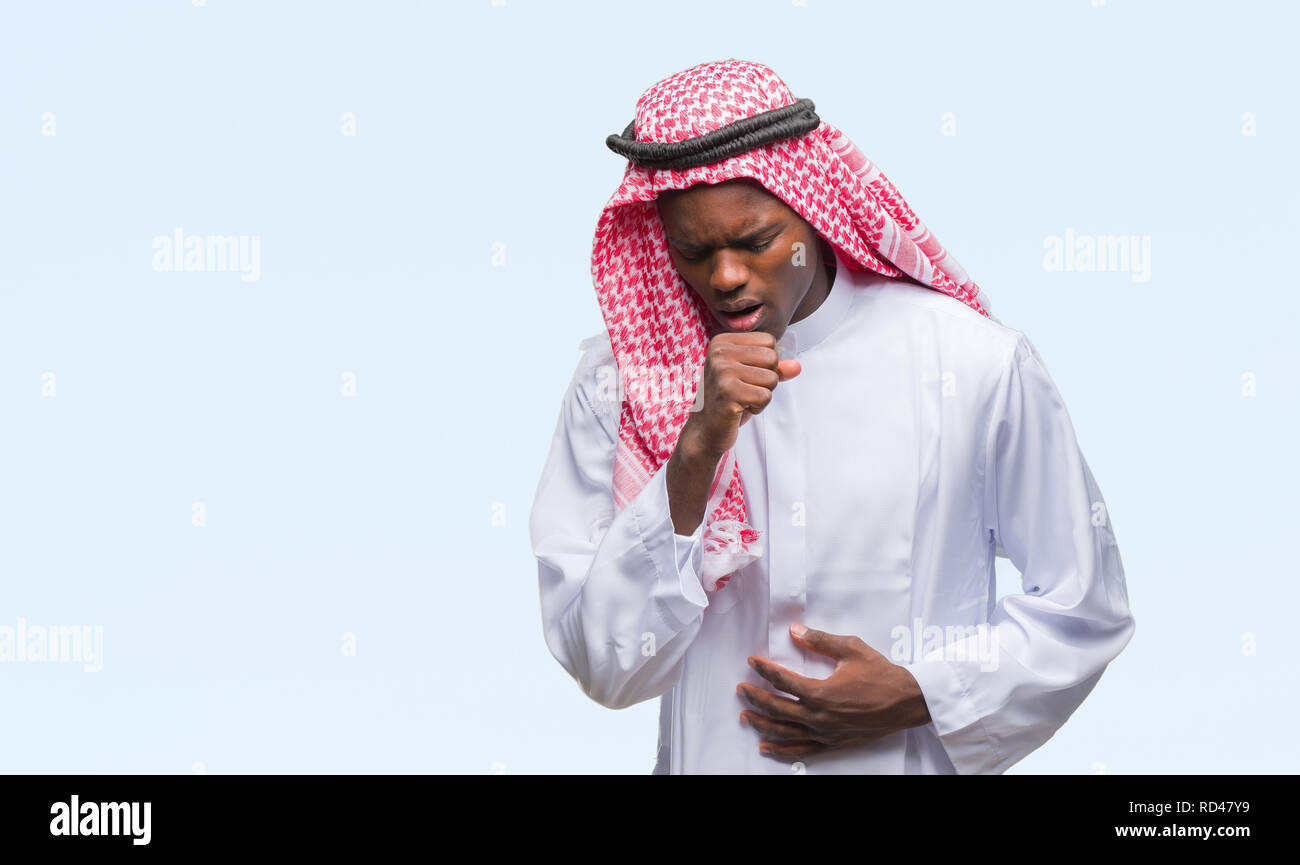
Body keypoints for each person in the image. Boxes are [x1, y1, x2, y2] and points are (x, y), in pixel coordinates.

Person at [529, 59, 1135, 774]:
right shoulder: (619, 385)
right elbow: (605, 667)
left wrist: (922, 692)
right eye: (694, 251)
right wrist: (694, 452)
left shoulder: (970, 363)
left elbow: (1085, 607)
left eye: (755, 241)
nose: (724, 276)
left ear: (812, 213)